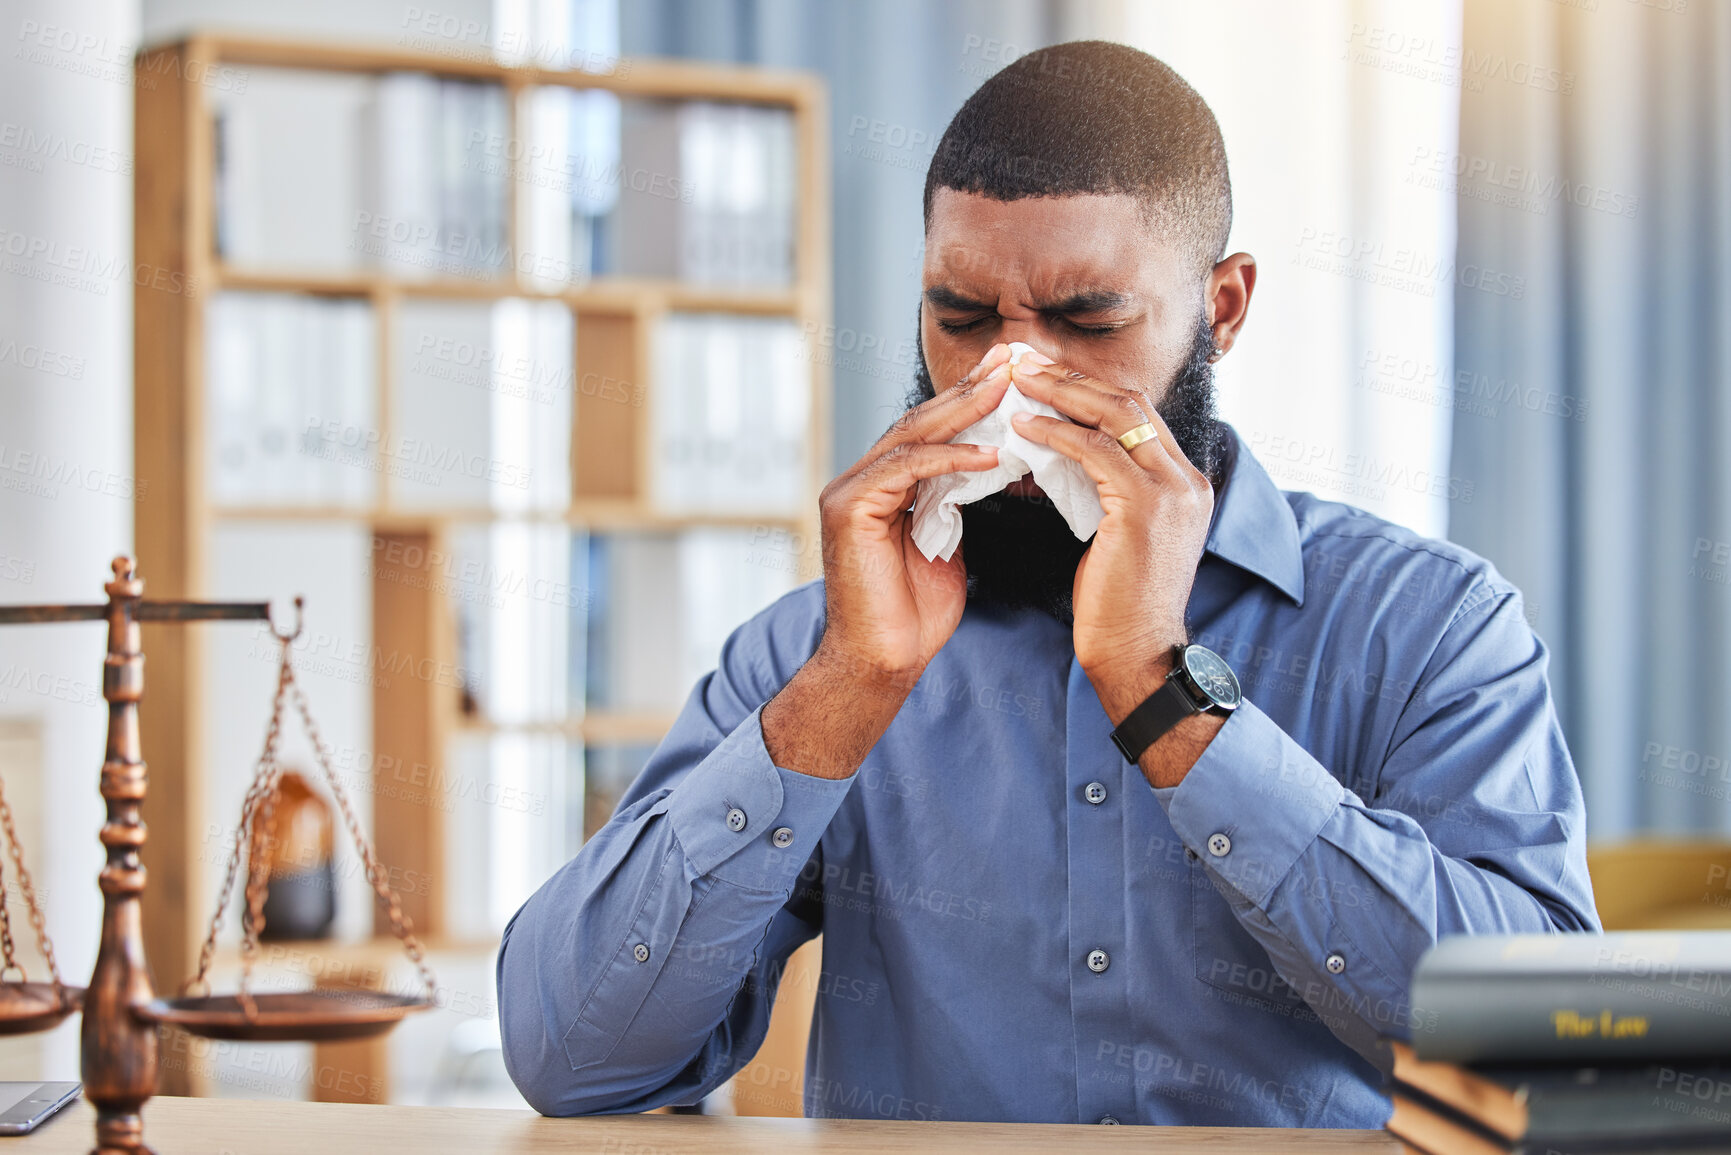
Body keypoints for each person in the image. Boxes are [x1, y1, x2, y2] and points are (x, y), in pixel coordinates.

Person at [497, 40, 1598, 1128]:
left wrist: (1164, 692)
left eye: (1089, 324)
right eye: (962, 321)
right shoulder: (817, 652)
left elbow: (1549, 1057)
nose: (1007, 390)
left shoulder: (1429, 627)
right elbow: (569, 1058)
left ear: (1221, 309)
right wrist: (844, 690)